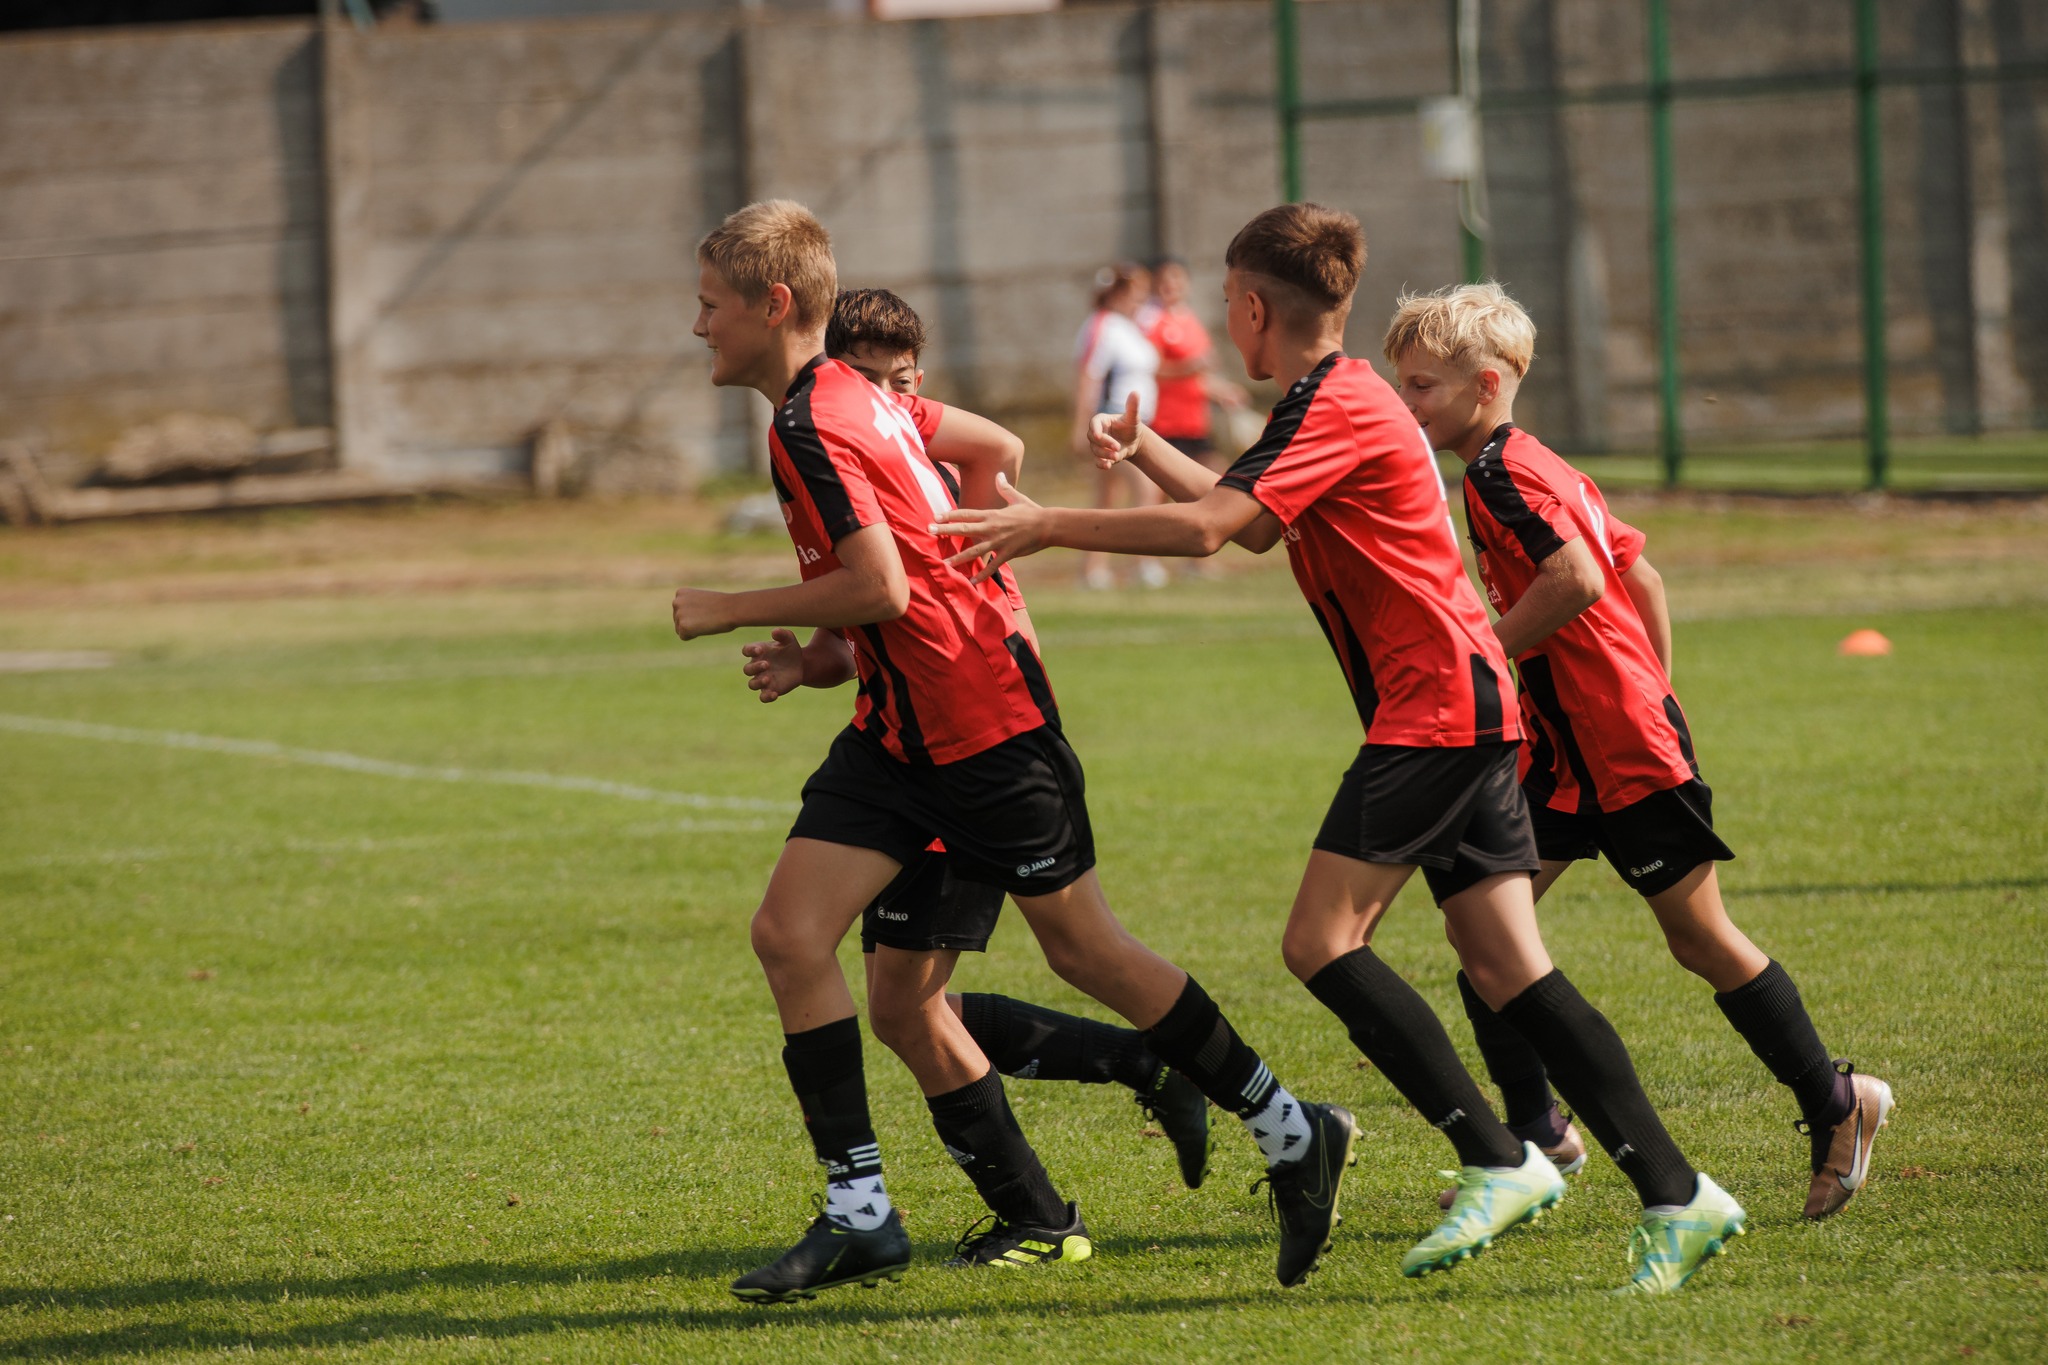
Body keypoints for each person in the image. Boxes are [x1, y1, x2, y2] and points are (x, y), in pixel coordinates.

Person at [933, 202, 1748, 1295]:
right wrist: (1147, 452)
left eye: (1228, 302)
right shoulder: (1333, 398)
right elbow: (1253, 521)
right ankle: (1673, 1192)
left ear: (1255, 305)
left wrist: (1047, 526)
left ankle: (1495, 1156)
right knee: (1508, 966)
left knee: (1319, 941)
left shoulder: (1340, 402)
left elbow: (1211, 531)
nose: (1225, 322)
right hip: (1461, 708)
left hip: (1435, 712)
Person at [673, 202, 1354, 1301]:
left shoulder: (812, 421)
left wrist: (727, 605)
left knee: (1087, 952)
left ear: (772, 305)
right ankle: (862, 1213)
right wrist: (834, 654)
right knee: (792, 937)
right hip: (902, 731)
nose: (697, 326)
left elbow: (885, 585)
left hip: (983, 728)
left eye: (709, 305)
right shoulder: (839, 399)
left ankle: (1287, 1129)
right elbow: (914, 561)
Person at [1384, 281, 1894, 1221]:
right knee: (1481, 932)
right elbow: (1639, 574)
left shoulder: (1500, 474)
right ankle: (1539, 1134)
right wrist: (1651, 686)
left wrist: (1493, 653)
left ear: (1486, 384)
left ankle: (1839, 1103)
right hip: (1573, 754)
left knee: (1698, 938)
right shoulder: (1537, 461)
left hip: (1618, 753)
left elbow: (1579, 576)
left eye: (1421, 387)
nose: (1406, 405)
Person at [826, 286, 1213, 1191]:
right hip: (907, 739)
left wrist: (969, 550)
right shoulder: (850, 445)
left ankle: (1050, 1202)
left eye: (900, 376)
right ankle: (1140, 1074)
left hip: (966, 741)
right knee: (902, 1004)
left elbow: (995, 455)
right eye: (869, 376)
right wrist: (818, 660)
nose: (888, 390)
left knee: (1028, 967)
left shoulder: (901, 429)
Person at [1073, 262, 1168, 589]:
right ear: (1114, 293)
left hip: (1140, 423)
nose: (1139, 300)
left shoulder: (1130, 326)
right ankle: (1144, 563)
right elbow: (1090, 376)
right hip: (1113, 421)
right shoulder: (1102, 325)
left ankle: (1092, 569)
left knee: (1106, 499)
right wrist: (1079, 425)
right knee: (1146, 487)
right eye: (1133, 293)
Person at [1139, 256, 1247, 472]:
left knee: (1216, 480)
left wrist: (1222, 391)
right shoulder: (1150, 320)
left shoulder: (1190, 319)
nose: (1170, 285)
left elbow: (1200, 375)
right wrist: (1189, 367)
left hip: (1194, 421)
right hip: (1163, 422)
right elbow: (1150, 369)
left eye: (1176, 278)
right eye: (1163, 279)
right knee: (1159, 491)